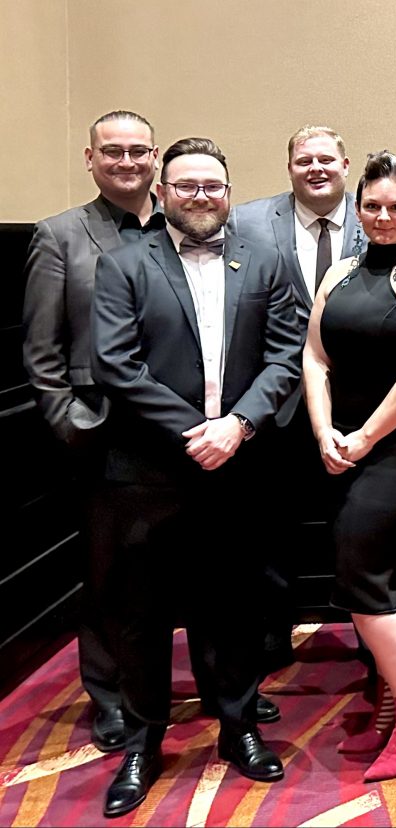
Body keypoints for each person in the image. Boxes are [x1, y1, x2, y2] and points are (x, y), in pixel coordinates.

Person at [91, 137, 303, 817]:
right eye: (186, 186)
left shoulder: (264, 260)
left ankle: (238, 726)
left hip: (238, 465)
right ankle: (144, 739)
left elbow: (286, 354)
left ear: (229, 191)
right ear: (163, 193)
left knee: (234, 605)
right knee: (142, 612)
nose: (201, 196)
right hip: (151, 470)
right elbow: (116, 365)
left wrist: (237, 426)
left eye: (213, 185)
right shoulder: (124, 263)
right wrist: (196, 430)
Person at [304, 151, 396, 782]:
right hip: (344, 442)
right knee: (381, 566)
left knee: (358, 562)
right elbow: (315, 357)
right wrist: (323, 432)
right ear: (356, 208)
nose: (384, 217)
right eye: (372, 206)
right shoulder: (338, 272)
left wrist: (362, 437)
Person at [21, 109, 162, 754]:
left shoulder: (181, 226)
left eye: (139, 151)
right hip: (101, 430)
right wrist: (71, 425)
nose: (127, 162)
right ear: (90, 158)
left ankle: (191, 688)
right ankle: (108, 696)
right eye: (113, 151)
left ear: (155, 156)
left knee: (178, 566)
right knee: (107, 571)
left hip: (178, 429)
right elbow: (42, 353)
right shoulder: (59, 236)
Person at [227, 125, 364, 681]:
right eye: (303, 160)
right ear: (289, 167)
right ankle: (272, 634)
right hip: (277, 403)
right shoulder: (250, 221)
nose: (316, 168)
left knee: (359, 524)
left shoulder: (377, 214)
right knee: (271, 527)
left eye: (326, 159)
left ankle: (370, 633)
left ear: (346, 164)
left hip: (357, 404)